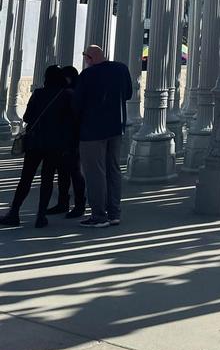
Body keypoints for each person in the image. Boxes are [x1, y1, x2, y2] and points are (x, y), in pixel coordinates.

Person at [0, 65, 77, 228]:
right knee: (47, 179)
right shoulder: (66, 95)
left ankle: (14, 212)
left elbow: (27, 117)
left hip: (35, 142)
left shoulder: (39, 93)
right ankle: (41, 216)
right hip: (55, 144)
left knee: (26, 178)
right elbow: (70, 121)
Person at [74, 45, 132, 229]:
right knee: (113, 169)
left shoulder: (87, 75)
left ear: (88, 58)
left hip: (92, 131)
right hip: (116, 127)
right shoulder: (121, 69)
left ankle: (99, 215)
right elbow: (128, 94)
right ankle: (114, 213)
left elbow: (77, 104)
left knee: (95, 173)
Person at [46, 65, 87, 219]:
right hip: (69, 138)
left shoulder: (70, 94)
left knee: (73, 172)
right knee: (65, 172)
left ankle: (76, 204)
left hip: (70, 138)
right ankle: (66, 203)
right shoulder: (73, 92)